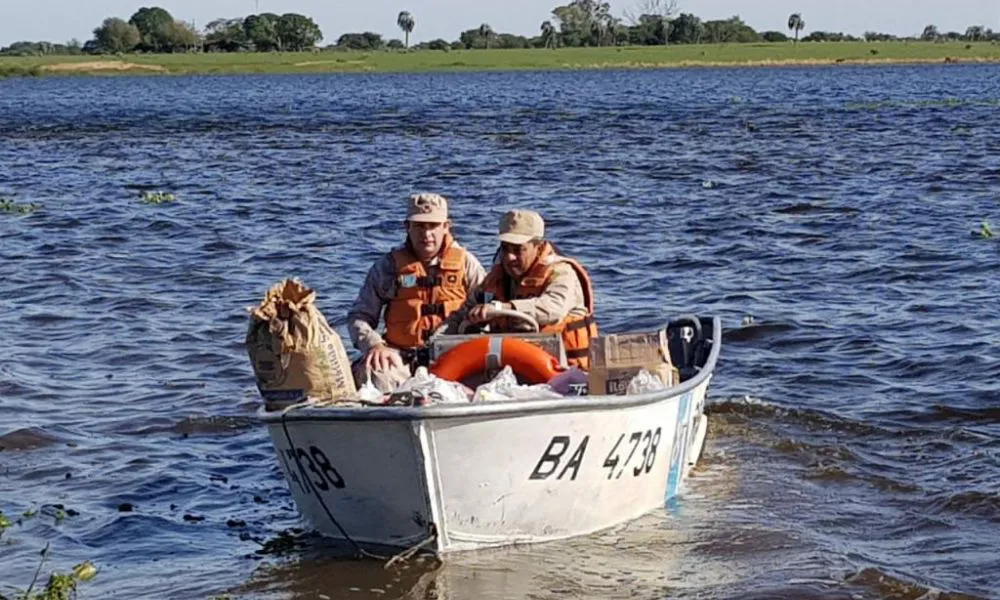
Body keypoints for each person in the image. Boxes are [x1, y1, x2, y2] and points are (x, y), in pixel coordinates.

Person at [347, 193, 487, 392]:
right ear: (407, 227)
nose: (427, 234)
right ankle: (390, 417)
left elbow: (488, 309)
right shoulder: (387, 267)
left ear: (446, 227)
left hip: (453, 356)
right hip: (401, 358)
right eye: (420, 226)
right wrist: (373, 345)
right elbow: (358, 316)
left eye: (433, 226)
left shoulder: (467, 264)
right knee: (376, 371)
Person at [457, 209, 598, 370]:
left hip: (563, 371)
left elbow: (553, 308)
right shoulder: (495, 278)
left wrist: (502, 308)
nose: (510, 257)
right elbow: (464, 311)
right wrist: (441, 337)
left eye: (517, 250)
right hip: (511, 366)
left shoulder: (562, 273)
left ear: (537, 246)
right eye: (505, 249)